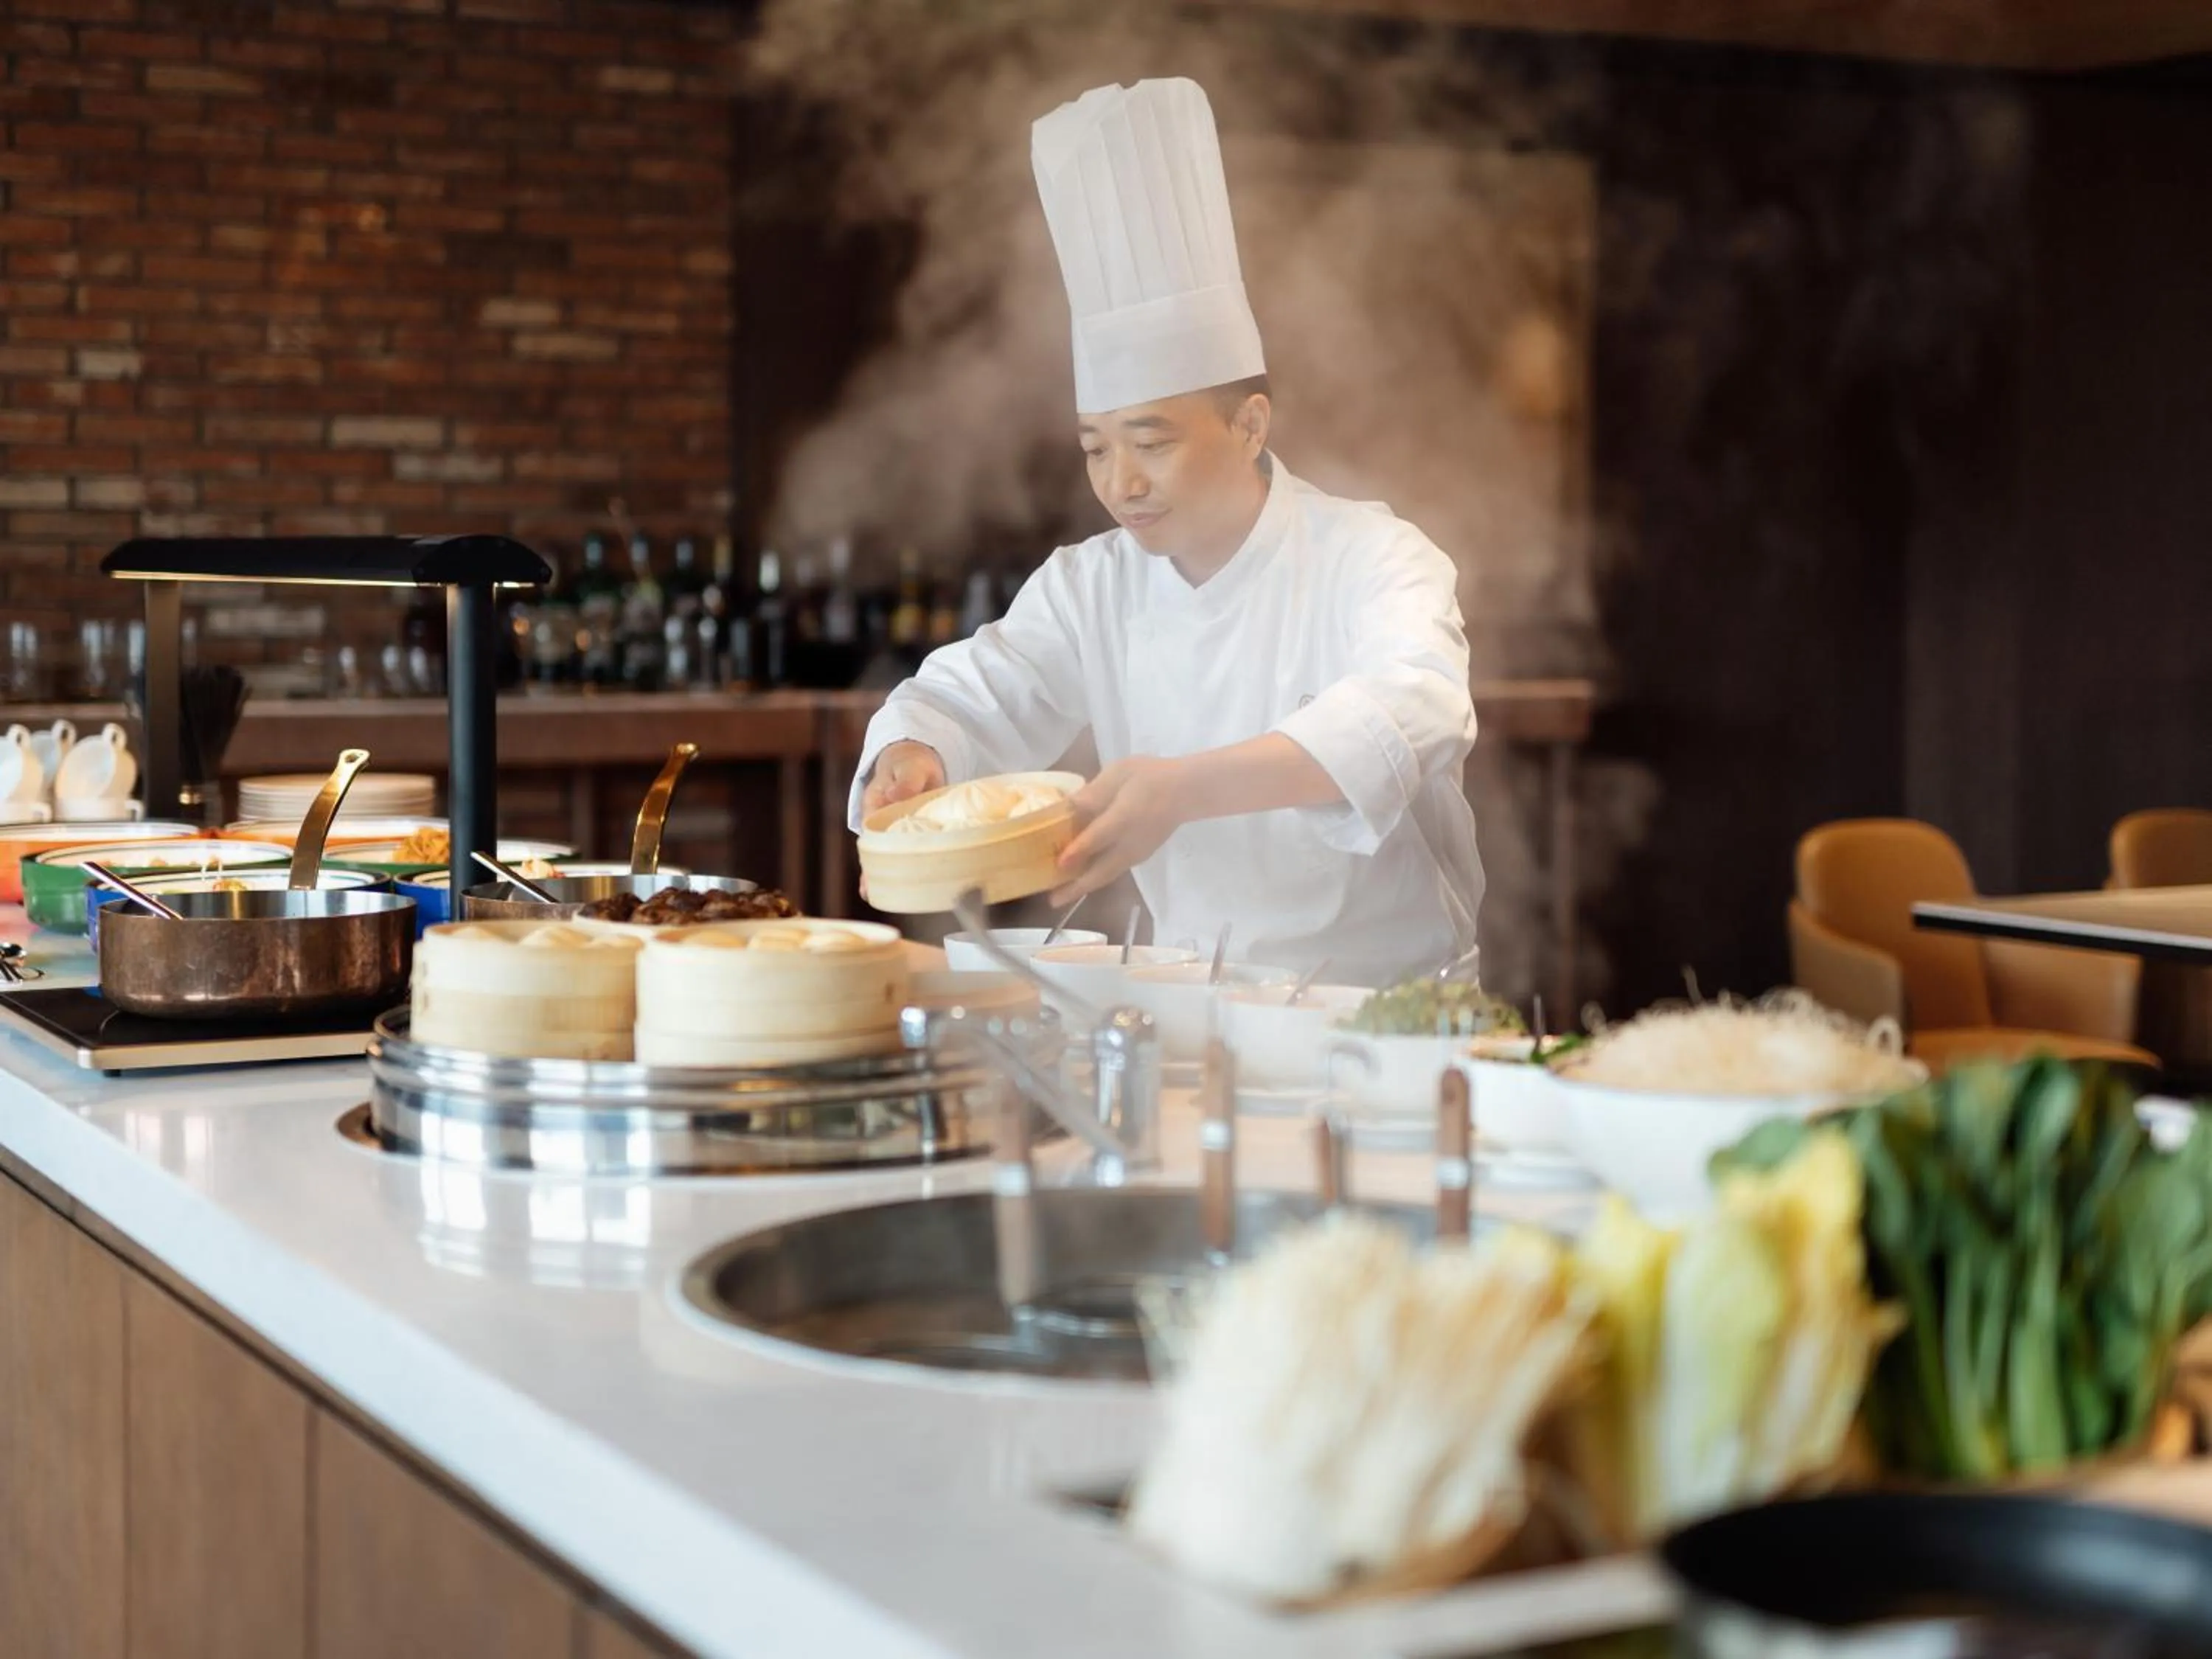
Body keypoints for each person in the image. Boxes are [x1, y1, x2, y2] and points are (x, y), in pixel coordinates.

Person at [850, 77, 1484, 990]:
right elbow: (977, 691)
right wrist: (916, 754)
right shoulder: (1089, 587)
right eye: (1096, 449)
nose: (1121, 483)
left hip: (1391, 1016)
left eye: (1152, 441)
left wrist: (1183, 790)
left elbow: (1413, 708)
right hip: (1194, 1005)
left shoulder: (1374, 556)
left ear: (1251, 426)